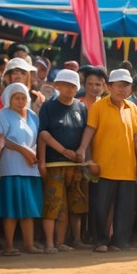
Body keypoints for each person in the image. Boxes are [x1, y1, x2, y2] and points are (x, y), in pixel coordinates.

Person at [79, 68, 137, 252]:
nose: (122, 89)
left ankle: (118, 242)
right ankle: (100, 241)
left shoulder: (133, 109)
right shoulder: (98, 107)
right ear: (109, 87)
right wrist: (86, 156)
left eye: (126, 86)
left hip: (127, 168)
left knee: (125, 209)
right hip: (103, 167)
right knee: (100, 207)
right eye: (118, 86)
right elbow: (89, 131)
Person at [37, 69, 88, 252]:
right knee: (53, 205)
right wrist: (43, 161)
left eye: (73, 86)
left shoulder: (81, 107)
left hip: (76, 165)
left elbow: (86, 133)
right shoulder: (48, 106)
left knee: (75, 205)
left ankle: (64, 242)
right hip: (54, 163)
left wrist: (81, 153)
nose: (69, 89)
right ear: (57, 86)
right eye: (65, 85)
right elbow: (42, 133)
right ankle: (50, 243)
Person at [0, 83, 42, 256]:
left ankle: (29, 245)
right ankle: (9, 246)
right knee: (11, 210)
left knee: (28, 209)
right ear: (9, 98)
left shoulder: (33, 116)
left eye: (23, 97)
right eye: (16, 97)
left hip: (30, 169)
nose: (20, 101)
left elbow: (38, 140)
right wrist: (22, 149)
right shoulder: (2, 115)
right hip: (11, 168)